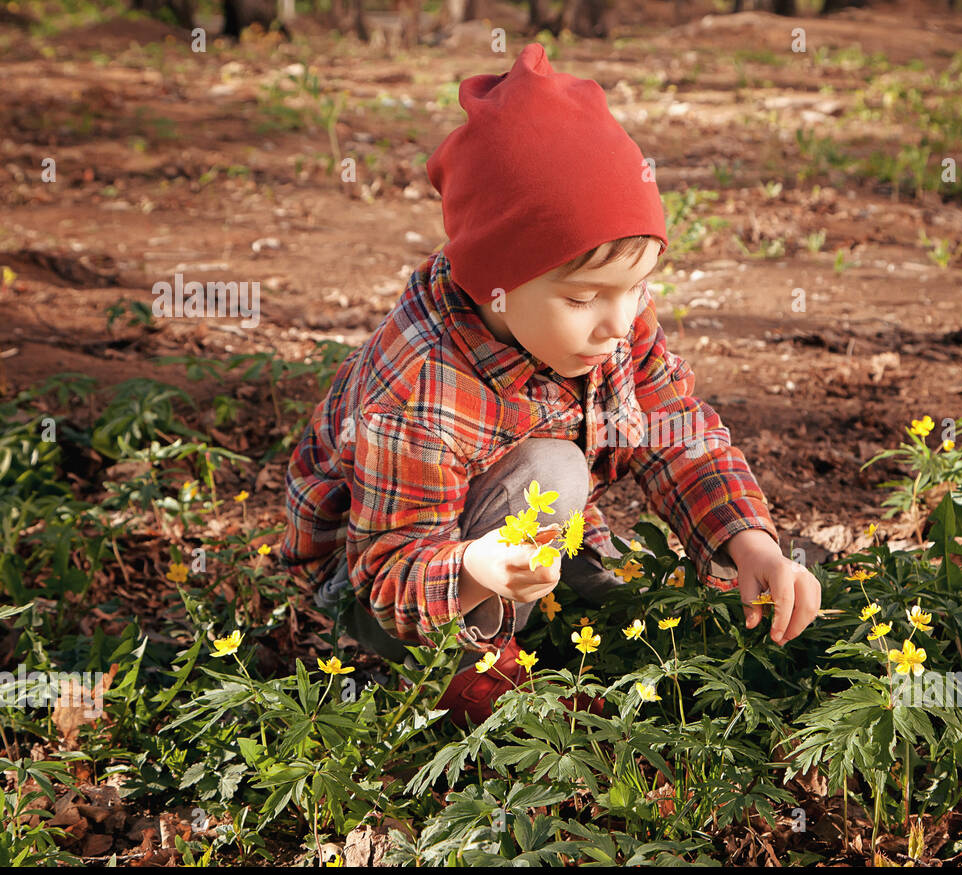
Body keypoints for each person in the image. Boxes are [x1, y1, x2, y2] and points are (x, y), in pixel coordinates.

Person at [280, 43, 821, 725]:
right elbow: (387, 572)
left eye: (639, 287)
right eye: (584, 298)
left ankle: (543, 614)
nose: (619, 322)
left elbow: (677, 431)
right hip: (377, 591)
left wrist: (752, 542)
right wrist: (477, 566)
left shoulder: (613, 321)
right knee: (553, 467)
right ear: (495, 286)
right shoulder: (422, 385)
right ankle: (471, 677)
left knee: (629, 598)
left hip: (495, 534)